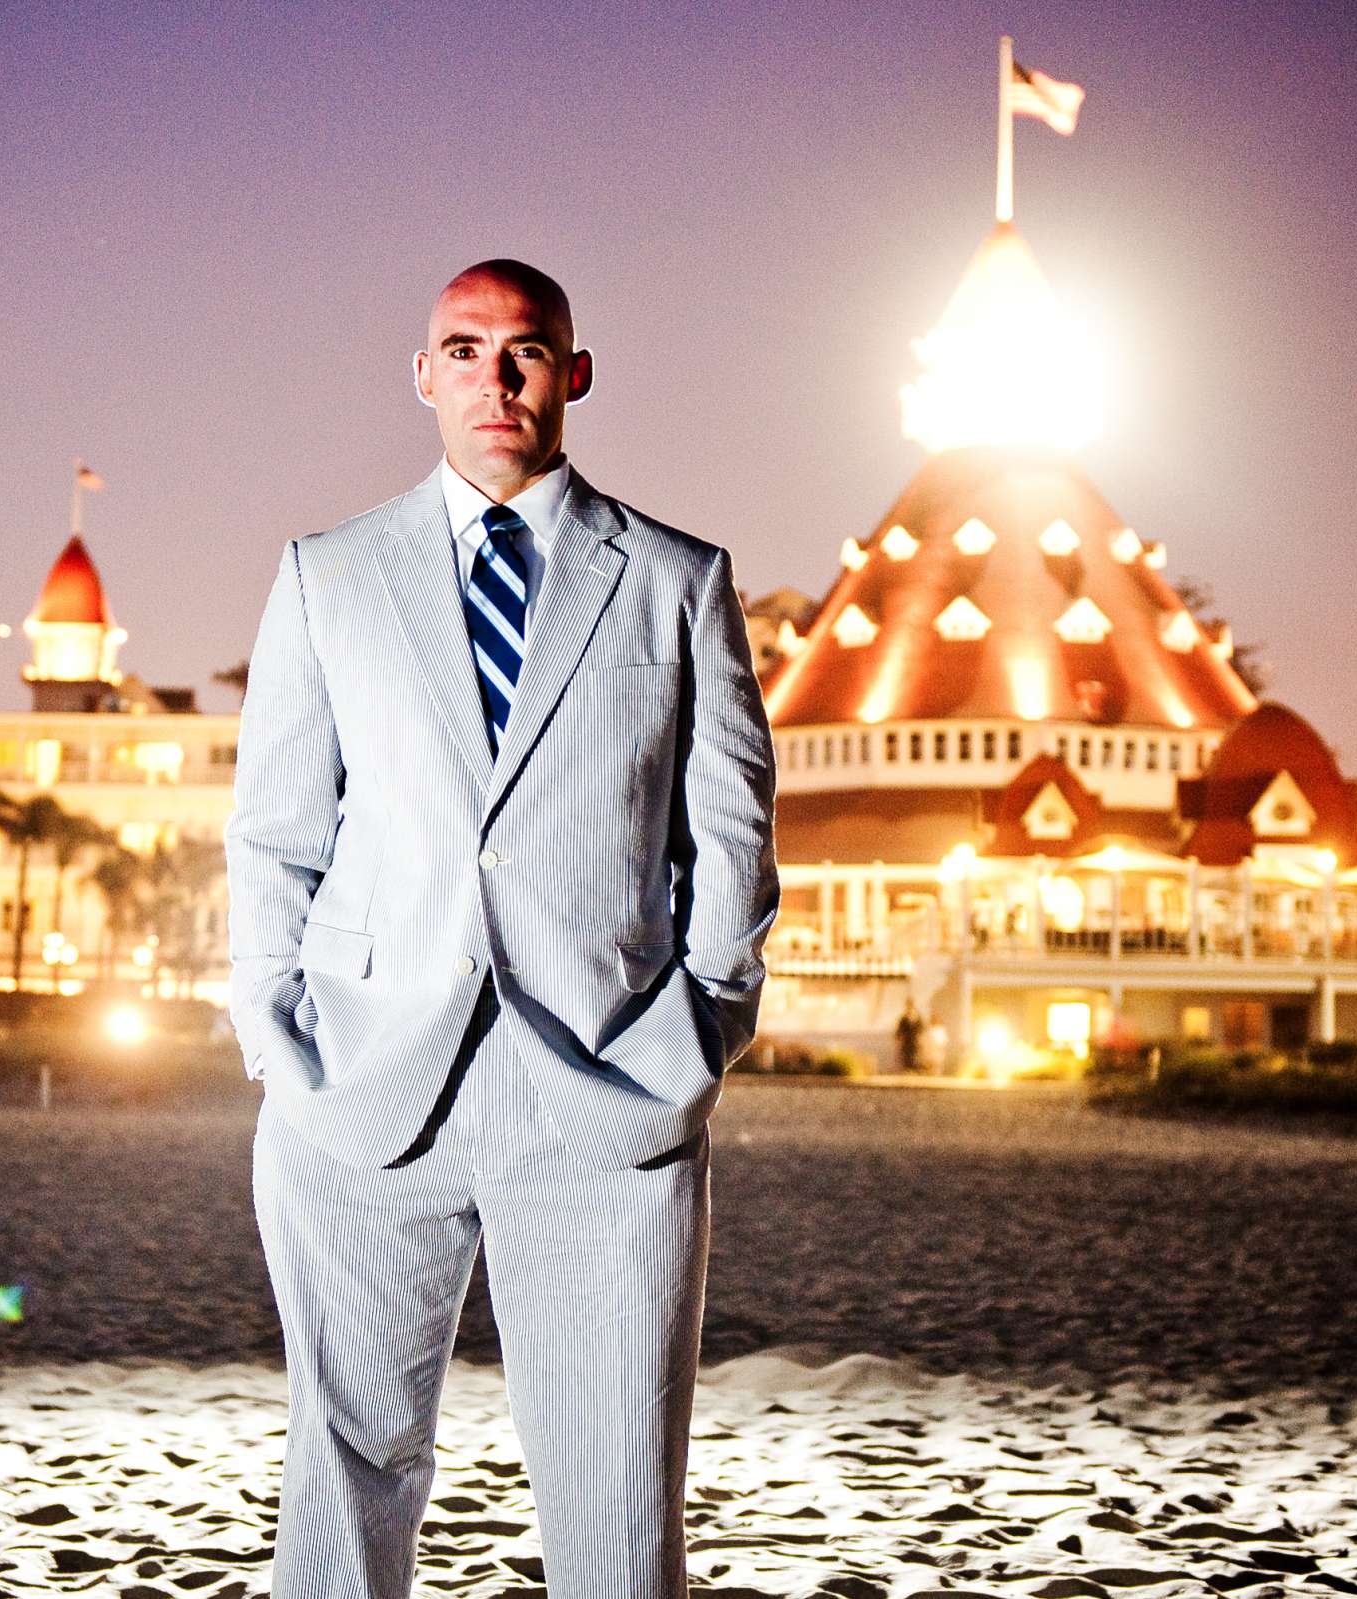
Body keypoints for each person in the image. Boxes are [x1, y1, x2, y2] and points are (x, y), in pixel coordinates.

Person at [224, 258, 780, 1596]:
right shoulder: (325, 575)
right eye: (462, 350)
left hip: (605, 1092)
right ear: (422, 377)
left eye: (525, 350)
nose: (497, 376)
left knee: (618, 1504)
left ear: (574, 373)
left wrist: (696, 1035)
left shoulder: (677, 579)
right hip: (359, 1091)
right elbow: (277, 834)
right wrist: (275, 1038)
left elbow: (736, 837)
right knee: (343, 1479)